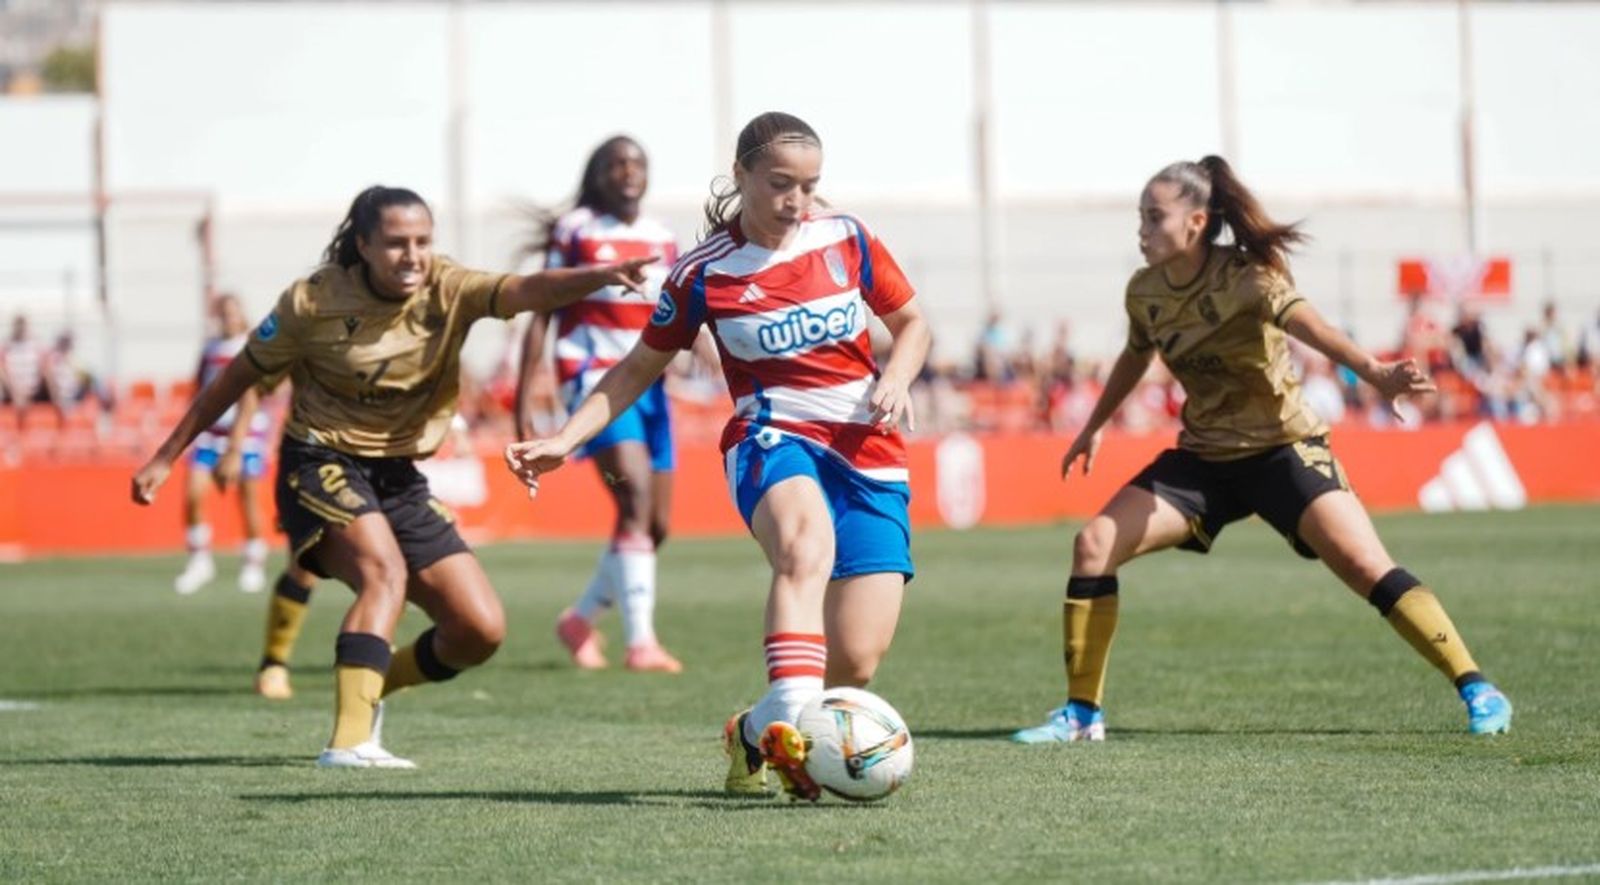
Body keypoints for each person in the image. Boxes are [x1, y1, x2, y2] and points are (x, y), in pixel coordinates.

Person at [132, 185, 654, 768]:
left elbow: (526, 290)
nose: (413, 255)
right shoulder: (313, 302)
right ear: (363, 245)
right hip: (320, 459)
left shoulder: (449, 288)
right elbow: (234, 380)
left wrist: (602, 275)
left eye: (423, 242)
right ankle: (349, 741)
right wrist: (165, 455)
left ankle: (370, 686)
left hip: (399, 476)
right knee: (385, 574)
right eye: (396, 243)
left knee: (477, 629)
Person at [1011, 156, 1512, 744]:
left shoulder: (1249, 278)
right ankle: (1081, 716)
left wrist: (1374, 372)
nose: (1141, 231)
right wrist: (1095, 423)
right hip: (1204, 461)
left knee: (1364, 566)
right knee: (1093, 544)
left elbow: (1315, 328)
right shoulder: (1144, 292)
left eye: (1153, 217)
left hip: (1284, 449)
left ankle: (1478, 686)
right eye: (1140, 218)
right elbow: (1135, 355)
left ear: (1197, 222)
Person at [505, 112, 931, 800]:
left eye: (809, 185)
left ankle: (753, 729)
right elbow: (637, 367)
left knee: (856, 658)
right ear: (740, 177)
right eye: (780, 184)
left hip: (869, 451)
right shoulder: (702, 272)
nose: (796, 201)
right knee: (803, 548)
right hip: (773, 437)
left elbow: (913, 324)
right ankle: (793, 737)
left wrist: (898, 374)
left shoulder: (848, 239)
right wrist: (565, 435)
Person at [514, 136, 686, 673]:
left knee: (655, 525)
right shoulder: (577, 231)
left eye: (637, 161)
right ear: (598, 174)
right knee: (631, 498)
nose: (628, 171)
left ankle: (580, 619)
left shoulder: (662, 237)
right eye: (616, 164)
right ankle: (642, 643)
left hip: (651, 386)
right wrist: (525, 403)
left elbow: (676, 309)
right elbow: (541, 310)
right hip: (594, 381)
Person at [173, 294, 276, 595]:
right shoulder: (210, 348)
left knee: (248, 500)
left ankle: (253, 563)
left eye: (233, 312)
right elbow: (200, 387)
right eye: (223, 313)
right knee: (193, 494)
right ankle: (199, 559)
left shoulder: (252, 345)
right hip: (212, 433)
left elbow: (262, 391)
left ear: (241, 314)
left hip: (247, 436)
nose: (228, 318)